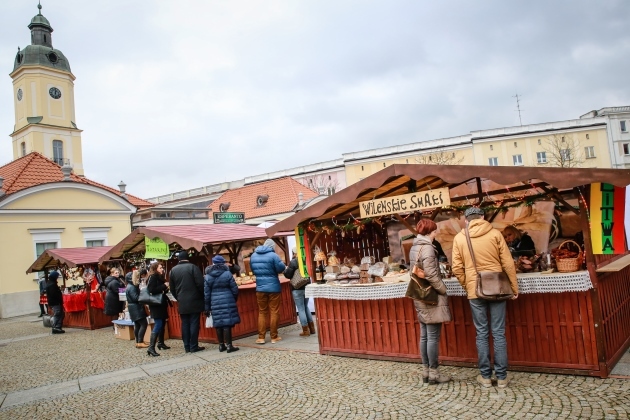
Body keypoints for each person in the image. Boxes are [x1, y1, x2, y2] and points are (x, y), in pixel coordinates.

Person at [451, 207, 519, 389]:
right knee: (498, 332)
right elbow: (508, 263)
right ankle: (502, 377)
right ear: (482, 217)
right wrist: (514, 287)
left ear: (466, 220)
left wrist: (469, 286)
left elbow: (457, 268)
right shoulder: (495, 234)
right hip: (497, 288)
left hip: (475, 291)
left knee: (481, 333)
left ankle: (486, 377)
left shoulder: (459, 238)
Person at [409, 219, 451, 385]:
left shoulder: (414, 247)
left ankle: (426, 371)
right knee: (432, 336)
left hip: (420, 294)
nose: (436, 234)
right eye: (434, 231)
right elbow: (432, 274)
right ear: (429, 232)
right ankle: (434, 373)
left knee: (425, 335)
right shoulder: (427, 248)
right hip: (431, 295)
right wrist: (443, 289)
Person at [251, 239, 286, 344]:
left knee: (262, 312)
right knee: (274, 311)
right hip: (273, 287)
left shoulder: (253, 256)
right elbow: (281, 268)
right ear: (272, 247)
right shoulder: (273, 256)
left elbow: (253, 270)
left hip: (260, 288)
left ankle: (261, 337)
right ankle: (274, 337)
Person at [169, 251, 205, 353]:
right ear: (188, 258)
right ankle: (194, 346)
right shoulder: (193, 267)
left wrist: (178, 297)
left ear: (178, 259)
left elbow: (172, 289)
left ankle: (187, 346)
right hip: (194, 300)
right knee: (194, 323)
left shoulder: (172, 271)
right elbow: (200, 284)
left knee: (185, 324)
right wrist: (202, 296)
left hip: (182, 301)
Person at [204, 255, 241, 353]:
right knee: (227, 323)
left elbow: (206, 293)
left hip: (214, 301)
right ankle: (229, 345)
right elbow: (235, 289)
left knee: (218, 323)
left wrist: (207, 307)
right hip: (227, 299)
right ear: (223, 263)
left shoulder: (208, 276)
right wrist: (233, 298)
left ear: (213, 263)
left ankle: (221, 345)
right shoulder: (227, 273)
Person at [283, 248, 315, 337]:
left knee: (301, 308)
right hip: (307, 286)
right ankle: (312, 329)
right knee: (306, 307)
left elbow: (288, 275)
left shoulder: (293, 261)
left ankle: (305, 331)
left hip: (297, 288)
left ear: (294, 253)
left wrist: (285, 270)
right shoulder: (306, 259)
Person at [146, 262, 170, 356]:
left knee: (162, 323)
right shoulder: (153, 277)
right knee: (158, 324)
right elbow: (152, 290)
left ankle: (161, 343)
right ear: (155, 268)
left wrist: (165, 287)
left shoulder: (159, 277)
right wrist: (164, 286)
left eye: (162, 267)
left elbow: (161, 290)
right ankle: (151, 347)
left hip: (161, 304)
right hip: (156, 305)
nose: (162, 269)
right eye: (160, 267)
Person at [126, 270, 148, 349]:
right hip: (136, 307)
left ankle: (138, 341)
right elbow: (135, 298)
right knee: (143, 324)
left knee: (138, 325)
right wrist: (142, 295)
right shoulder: (132, 287)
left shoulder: (130, 286)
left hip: (133, 307)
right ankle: (140, 342)